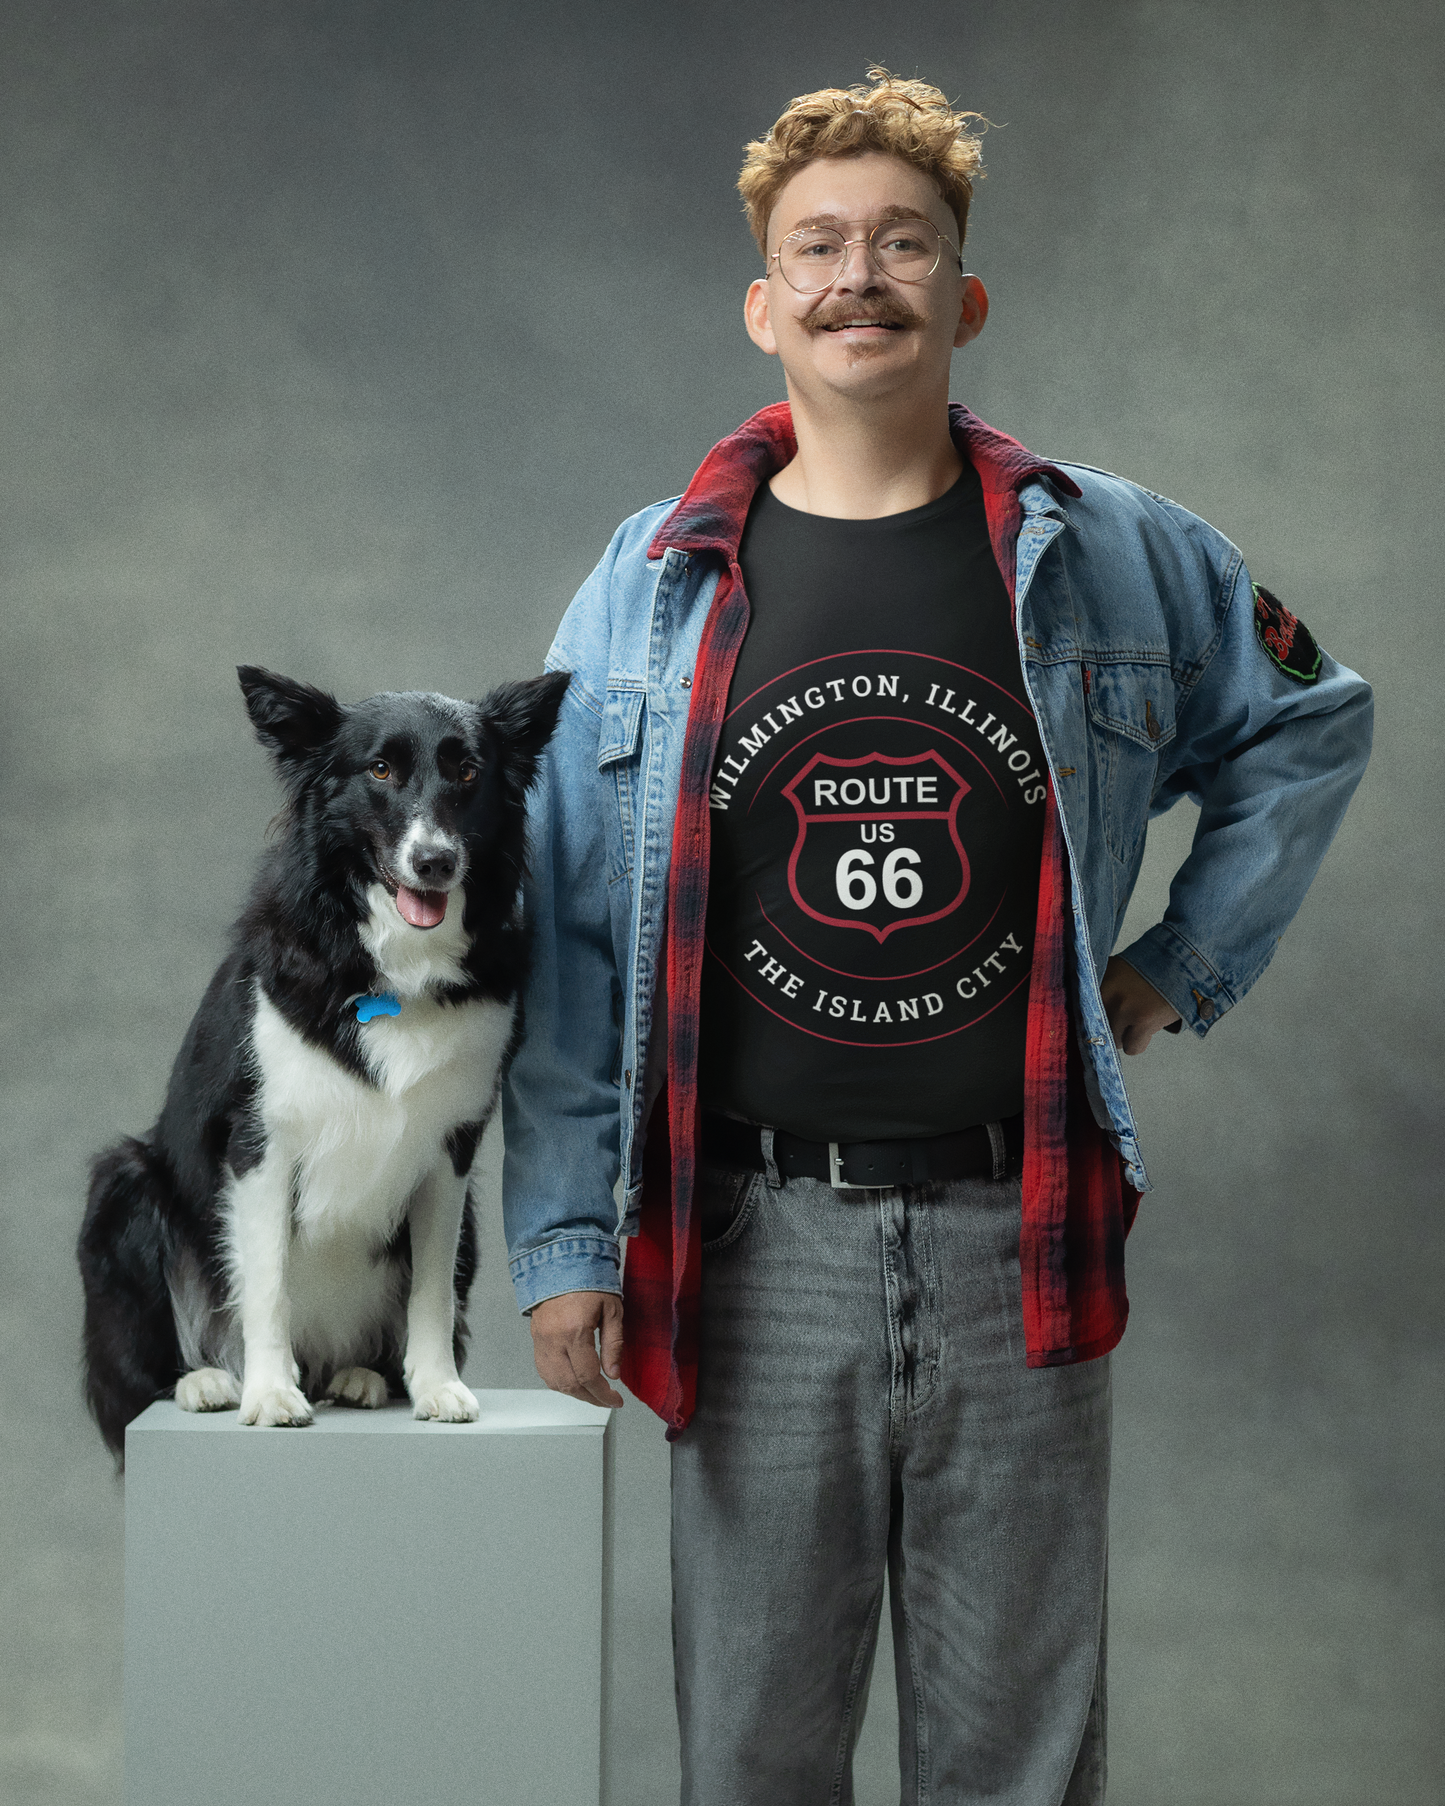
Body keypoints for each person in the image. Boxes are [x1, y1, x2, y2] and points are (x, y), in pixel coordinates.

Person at [501, 69, 1371, 1806]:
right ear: (764, 305)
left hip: (1014, 1228)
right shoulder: (649, 583)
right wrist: (567, 1238)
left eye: (905, 243)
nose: (859, 276)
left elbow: (1307, 720)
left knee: (1014, 1768)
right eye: (816, 246)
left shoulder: (1115, 556)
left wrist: (1175, 968)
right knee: (753, 1760)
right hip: (753, 1246)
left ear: (965, 296)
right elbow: (575, 928)